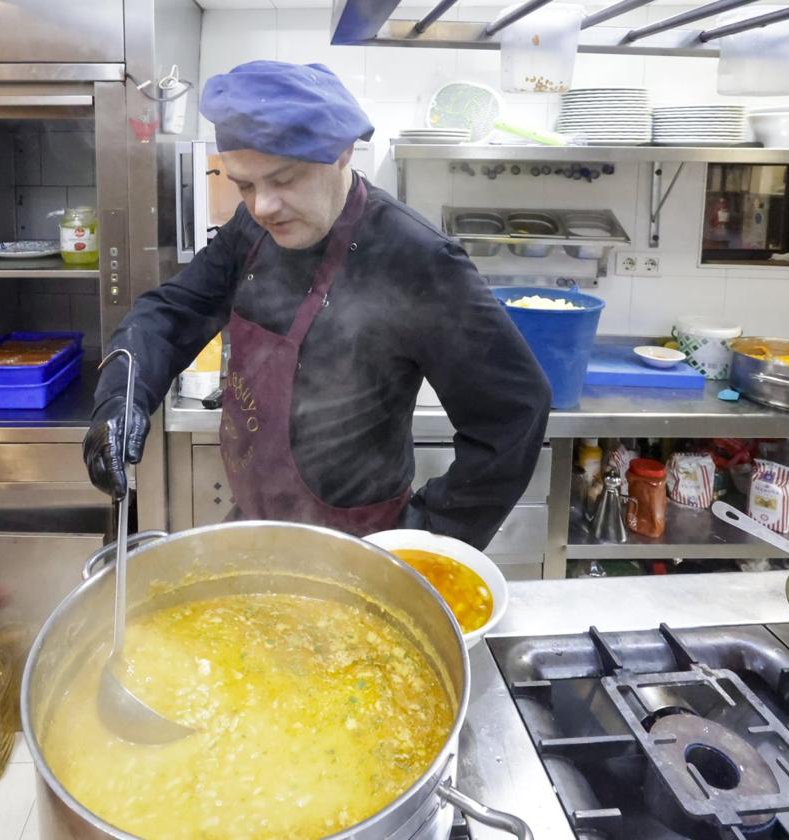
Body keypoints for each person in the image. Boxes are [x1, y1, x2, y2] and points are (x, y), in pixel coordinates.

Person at [84, 60, 550, 549]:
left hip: (367, 547)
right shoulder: (251, 231)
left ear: (343, 152)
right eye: (244, 184)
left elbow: (515, 412)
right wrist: (121, 394)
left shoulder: (417, 258)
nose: (262, 206)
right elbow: (172, 312)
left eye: (283, 179)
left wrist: (429, 540)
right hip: (257, 529)